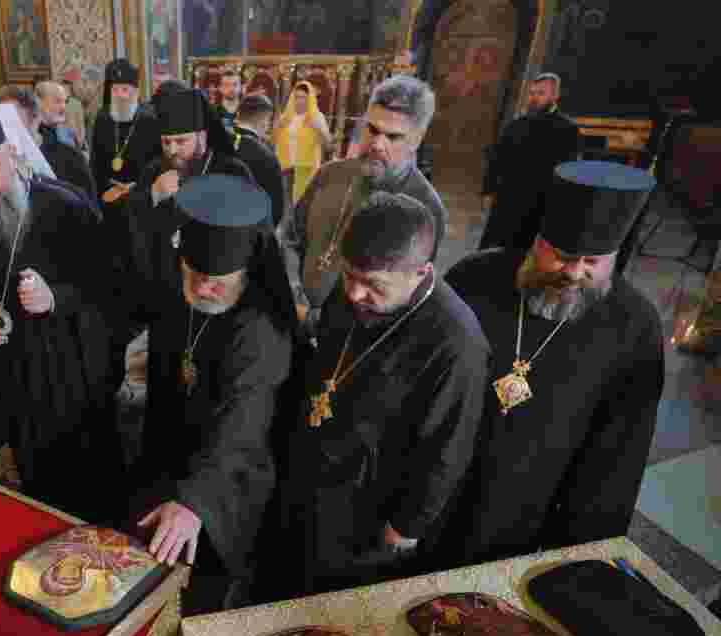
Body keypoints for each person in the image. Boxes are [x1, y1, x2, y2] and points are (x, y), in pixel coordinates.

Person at [436, 160, 663, 568]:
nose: (574, 273)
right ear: (537, 240)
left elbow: (614, 461)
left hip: (519, 523)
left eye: (593, 262)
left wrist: (577, 561)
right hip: (431, 499)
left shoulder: (635, 327)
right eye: (561, 256)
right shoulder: (473, 280)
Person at [268, 193, 489, 599]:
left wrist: (407, 526)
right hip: (312, 474)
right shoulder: (356, 290)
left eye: (373, 285)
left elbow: (448, 446)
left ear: (420, 272)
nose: (353, 294)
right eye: (349, 275)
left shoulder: (455, 342)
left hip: (367, 509)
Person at [0, 96, 124, 522]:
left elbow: (112, 290)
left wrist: (57, 298)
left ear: (12, 154)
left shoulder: (65, 208)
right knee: (35, 476)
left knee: (90, 482)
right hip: (8, 376)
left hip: (72, 373)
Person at [131, 174, 295, 615]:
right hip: (173, 457)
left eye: (218, 282)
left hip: (228, 481)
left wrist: (193, 501)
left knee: (200, 595)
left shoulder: (261, 331)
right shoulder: (182, 284)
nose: (203, 290)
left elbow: (241, 424)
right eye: (196, 275)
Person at [279, 76, 446, 335]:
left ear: (417, 139)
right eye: (372, 129)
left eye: (393, 136)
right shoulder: (330, 174)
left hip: (349, 339)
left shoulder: (425, 206)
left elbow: (402, 295)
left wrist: (317, 321)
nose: (377, 144)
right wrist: (293, 296)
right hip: (290, 319)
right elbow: (291, 237)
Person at [127, 87, 256, 298]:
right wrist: (153, 194)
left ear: (202, 137)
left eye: (181, 141)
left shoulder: (231, 171)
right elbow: (133, 222)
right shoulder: (154, 170)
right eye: (166, 142)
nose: (172, 150)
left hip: (214, 291)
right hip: (165, 291)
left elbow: (252, 235)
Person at [478, 72, 580, 253]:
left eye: (541, 93)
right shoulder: (517, 125)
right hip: (508, 201)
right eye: (532, 93)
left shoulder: (568, 129)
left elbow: (569, 171)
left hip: (540, 206)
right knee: (492, 252)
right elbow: (497, 159)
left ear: (555, 96)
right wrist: (488, 190)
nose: (534, 98)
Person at [89, 59, 160, 209]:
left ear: (136, 92)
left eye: (125, 90)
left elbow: (158, 160)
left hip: (142, 197)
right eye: (115, 90)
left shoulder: (150, 119)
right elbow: (96, 161)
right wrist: (105, 188)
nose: (120, 95)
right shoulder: (103, 118)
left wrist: (137, 187)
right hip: (109, 197)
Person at [32, 81, 97, 198]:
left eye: (65, 101)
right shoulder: (30, 136)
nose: (63, 107)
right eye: (57, 101)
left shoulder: (68, 132)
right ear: (39, 103)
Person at [274, 81, 332, 205]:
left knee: (301, 205)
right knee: (284, 204)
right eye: (296, 97)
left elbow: (328, 145)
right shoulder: (286, 117)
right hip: (286, 167)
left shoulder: (317, 117)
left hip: (306, 168)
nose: (299, 101)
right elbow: (273, 141)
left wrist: (319, 129)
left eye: (303, 98)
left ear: (310, 98)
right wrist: (277, 127)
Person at [233, 94, 285, 228]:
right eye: (269, 121)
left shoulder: (214, 143)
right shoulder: (266, 155)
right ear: (264, 120)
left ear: (238, 115)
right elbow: (276, 210)